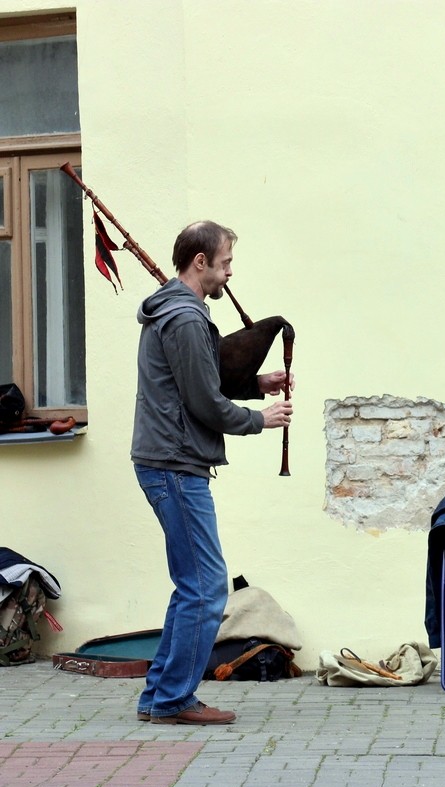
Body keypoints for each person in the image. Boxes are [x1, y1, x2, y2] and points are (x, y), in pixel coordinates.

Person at [131, 221, 293, 725]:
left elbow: (200, 380)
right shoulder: (183, 318)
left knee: (191, 585)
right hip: (175, 464)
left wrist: (255, 383)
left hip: (169, 461)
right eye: (224, 263)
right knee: (207, 587)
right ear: (199, 262)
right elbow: (203, 401)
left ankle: (158, 694)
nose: (228, 273)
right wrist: (259, 421)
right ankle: (176, 700)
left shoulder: (180, 312)